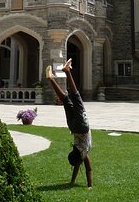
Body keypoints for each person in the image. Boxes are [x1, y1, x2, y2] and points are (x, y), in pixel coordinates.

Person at [46, 59, 93, 188]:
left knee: (76, 97)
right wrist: (72, 182)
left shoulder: (84, 153)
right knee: (66, 100)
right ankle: (50, 79)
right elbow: (78, 168)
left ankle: (67, 71)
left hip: (82, 126)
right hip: (72, 127)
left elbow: (89, 170)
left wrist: (90, 186)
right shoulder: (78, 152)